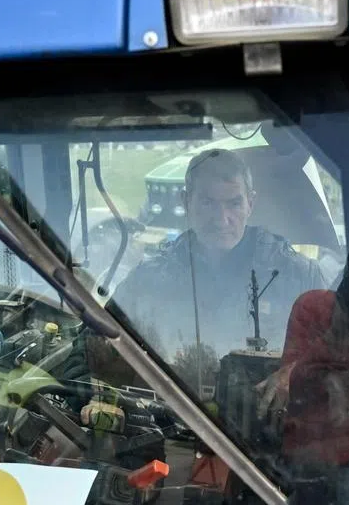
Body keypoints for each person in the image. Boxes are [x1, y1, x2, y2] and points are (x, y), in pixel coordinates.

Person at [110, 148, 325, 380]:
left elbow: (337, 362)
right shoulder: (148, 280)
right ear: (185, 201)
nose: (221, 219)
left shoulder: (299, 277)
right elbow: (95, 343)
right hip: (175, 409)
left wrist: (293, 375)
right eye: (207, 203)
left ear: (250, 203)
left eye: (234, 204)